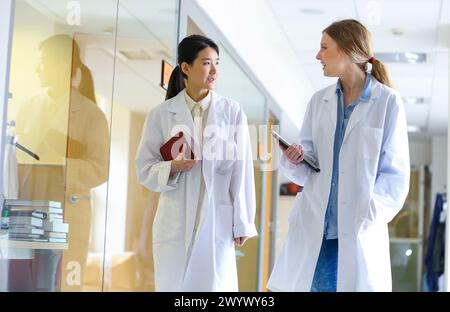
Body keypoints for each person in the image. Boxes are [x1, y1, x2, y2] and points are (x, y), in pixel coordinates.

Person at [267, 19, 410, 292]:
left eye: (324, 47)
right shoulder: (319, 101)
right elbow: (310, 169)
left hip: (356, 232)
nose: (317, 55)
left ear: (346, 50)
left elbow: (395, 177)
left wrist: (368, 214)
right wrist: (296, 159)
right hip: (315, 229)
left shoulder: (388, 102)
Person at [135, 34, 257, 291]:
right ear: (186, 68)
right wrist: (174, 166)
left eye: (217, 63)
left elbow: (242, 169)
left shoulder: (232, 112)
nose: (214, 71)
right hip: (174, 223)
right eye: (206, 63)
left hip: (216, 221)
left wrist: (242, 221)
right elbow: (144, 168)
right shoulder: (161, 114)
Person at [11, 34, 109, 291]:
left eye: (42, 62)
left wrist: (59, 163)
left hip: (63, 211)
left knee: (53, 284)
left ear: (61, 64)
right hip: (27, 206)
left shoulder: (92, 115)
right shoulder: (28, 106)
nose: (36, 68)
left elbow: (100, 169)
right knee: (21, 281)